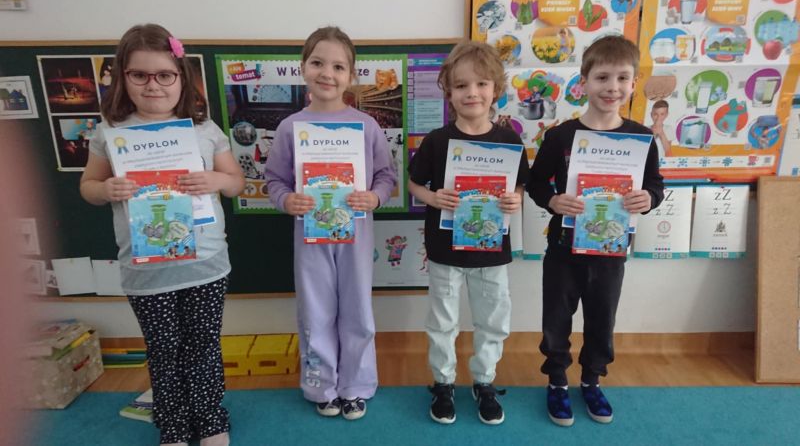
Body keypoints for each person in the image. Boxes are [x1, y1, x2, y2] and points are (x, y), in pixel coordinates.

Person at [79, 24, 245, 446]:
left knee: (204, 345)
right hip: (146, 268)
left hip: (205, 263)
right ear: (123, 77)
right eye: (140, 75)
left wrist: (215, 180)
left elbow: (236, 182)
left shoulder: (204, 129)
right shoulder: (109, 131)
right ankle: (173, 425)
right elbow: (88, 187)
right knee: (163, 350)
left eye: (164, 75)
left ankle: (210, 419)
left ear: (181, 77)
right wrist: (105, 189)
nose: (153, 85)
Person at [528, 35, 664, 427]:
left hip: (610, 250)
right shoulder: (560, 136)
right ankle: (557, 380)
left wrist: (648, 198)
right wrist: (553, 201)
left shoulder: (641, 138)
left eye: (622, 78)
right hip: (563, 248)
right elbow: (536, 184)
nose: (612, 87)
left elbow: (655, 185)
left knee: (602, 319)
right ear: (584, 82)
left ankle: (591, 379)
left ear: (634, 84)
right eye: (602, 77)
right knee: (557, 317)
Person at [263, 26, 397, 421]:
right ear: (303, 67)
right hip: (310, 235)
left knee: (358, 311)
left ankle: (355, 385)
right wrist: (287, 200)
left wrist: (375, 197)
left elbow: (386, 176)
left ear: (351, 75)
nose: (327, 73)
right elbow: (274, 180)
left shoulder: (366, 126)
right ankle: (321, 385)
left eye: (338, 67)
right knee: (315, 311)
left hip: (356, 235)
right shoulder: (290, 127)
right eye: (318, 63)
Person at [407, 40, 528, 426]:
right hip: (445, 250)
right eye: (461, 85)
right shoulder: (438, 140)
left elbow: (519, 185)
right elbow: (413, 184)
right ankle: (443, 382)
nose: (471, 93)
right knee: (442, 321)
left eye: (481, 84)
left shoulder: (509, 140)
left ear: (496, 89)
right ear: (449, 92)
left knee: (493, 319)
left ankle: (484, 381)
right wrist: (433, 197)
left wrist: (515, 199)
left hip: (491, 250)